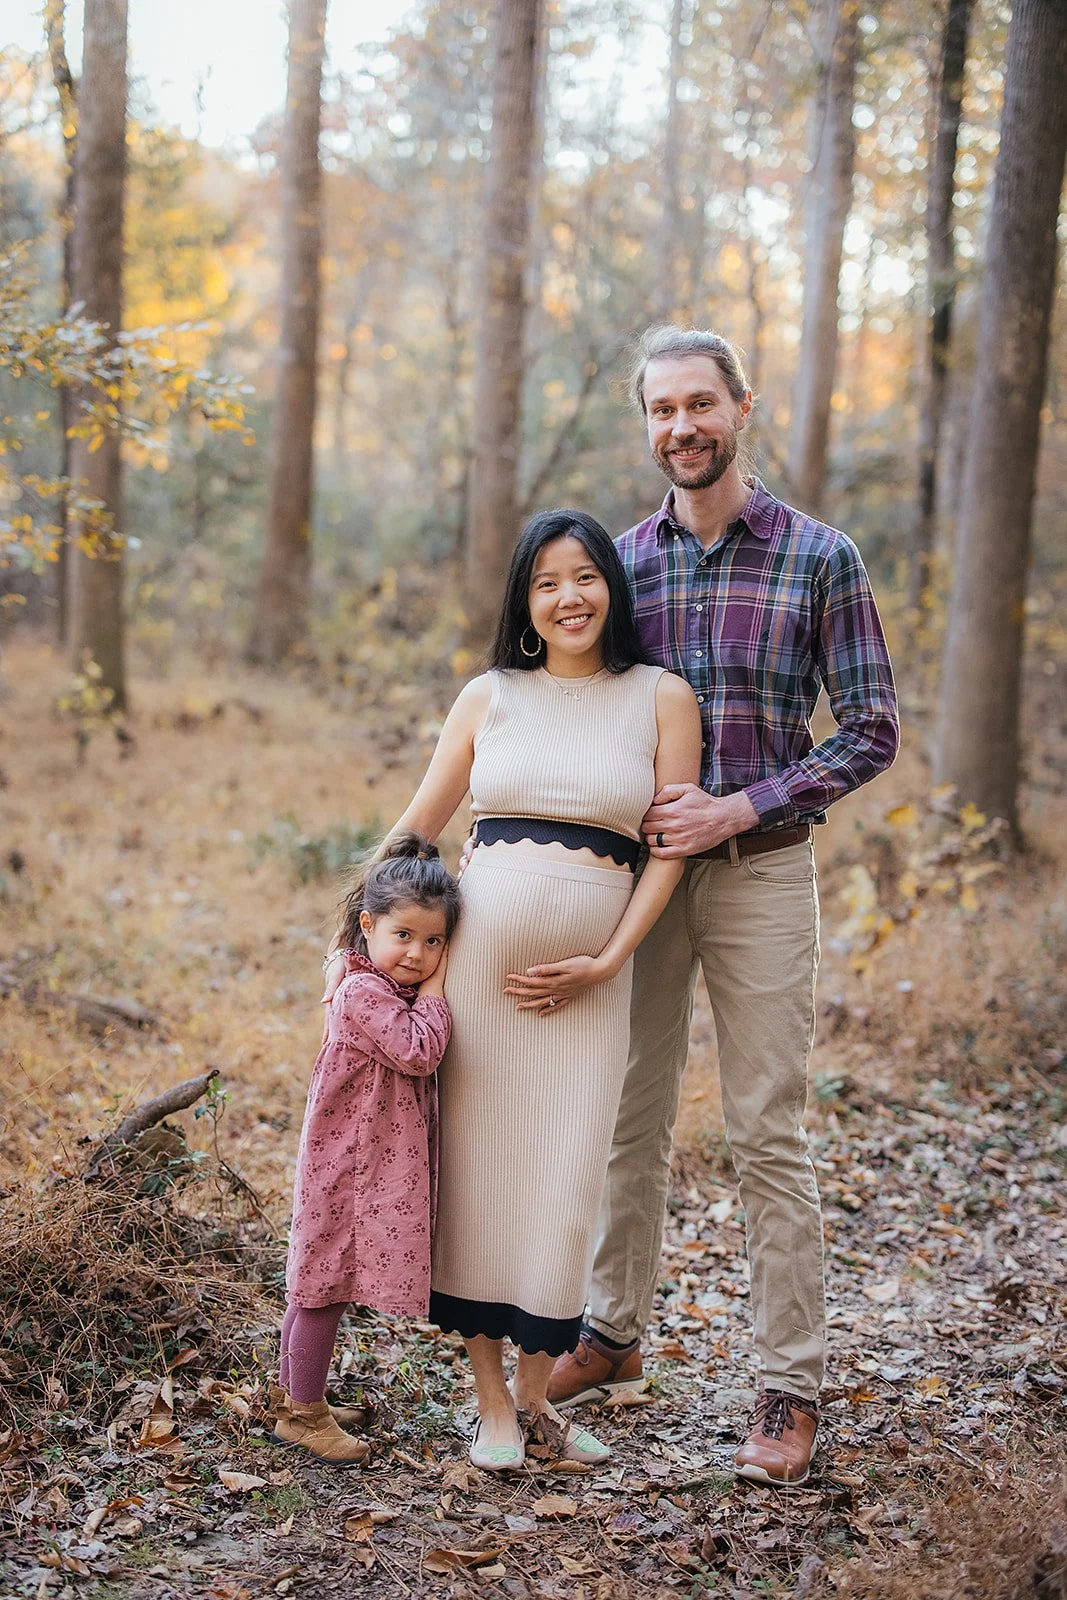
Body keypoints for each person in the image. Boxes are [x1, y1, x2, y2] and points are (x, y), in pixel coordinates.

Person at [546, 326, 900, 1488]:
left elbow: (867, 729)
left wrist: (739, 806)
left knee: (763, 1127)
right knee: (623, 1115)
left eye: (699, 403)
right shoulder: (620, 562)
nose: (679, 427)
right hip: (633, 881)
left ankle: (787, 1385)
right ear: (642, 424)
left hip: (759, 871)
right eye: (660, 410)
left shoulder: (817, 556)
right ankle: (611, 1331)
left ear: (740, 407)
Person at [327, 508, 701, 1471]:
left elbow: (667, 850)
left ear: (611, 588)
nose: (567, 596)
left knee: (567, 1181)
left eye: (584, 577)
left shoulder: (660, 697)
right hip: (477, 978)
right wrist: (351, 939)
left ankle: (539, 1398)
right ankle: (493, 1403)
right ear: (524, 603)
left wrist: (611, 957)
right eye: (545, 582)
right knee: (483, 1182)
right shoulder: (489, 695)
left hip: (589, 985)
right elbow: (419, 827)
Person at [273, 834, 458, 1465]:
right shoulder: (362, 993)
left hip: (358, 1154)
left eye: (434, 942)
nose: (417, 954)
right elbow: (417, 1050)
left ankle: (297, 1396)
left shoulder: (366, 982)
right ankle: (302, 1413)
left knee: (317, 1280)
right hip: (351, 1163)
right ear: (368, 925)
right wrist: (437, 993)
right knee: (323, 1285)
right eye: (403, 935)